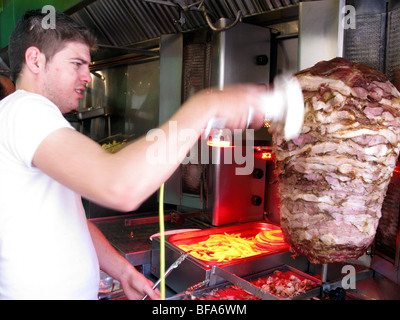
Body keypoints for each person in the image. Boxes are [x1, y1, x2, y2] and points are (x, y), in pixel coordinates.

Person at [0, 9, 267, 300]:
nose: (87, 77)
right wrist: (205, 107)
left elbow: (71, 218)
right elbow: (120, 187)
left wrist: (123, 271)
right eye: (76, 63)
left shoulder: (32, 118)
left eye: (88, 66)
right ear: (35, 60)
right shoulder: (26, 111)